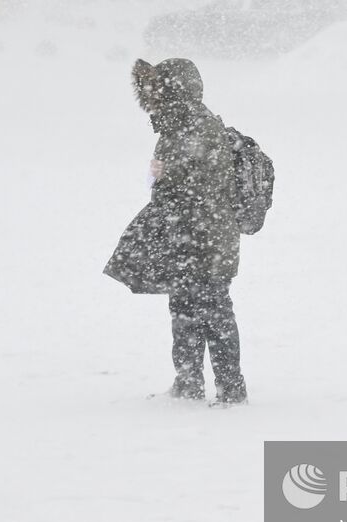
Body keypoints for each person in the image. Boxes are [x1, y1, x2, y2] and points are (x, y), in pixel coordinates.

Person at [104, 58, 247, 404]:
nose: (152, 100)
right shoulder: (175, 128)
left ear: (176, 92)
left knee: (214, 312)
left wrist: (169, 174)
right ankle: (188, 382)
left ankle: (231, 389)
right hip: (185, 236)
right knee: (183, 309)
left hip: (206, 238)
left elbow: (209, 184)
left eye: (158, 91)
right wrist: (161, 176)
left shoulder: (201, 127)